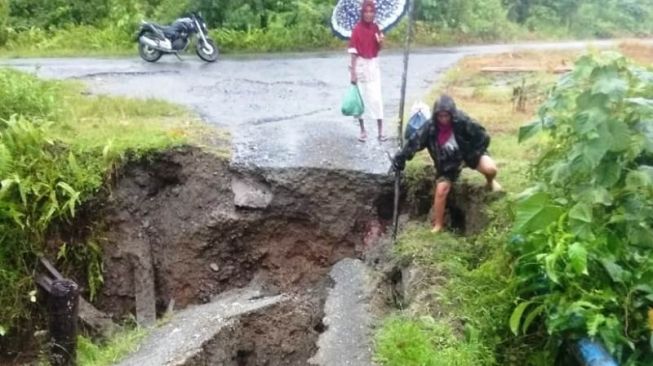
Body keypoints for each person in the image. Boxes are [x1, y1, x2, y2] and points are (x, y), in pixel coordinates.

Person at [393, 95, 502, 233]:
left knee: (491, 169)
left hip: (468, 155)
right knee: (441, 191)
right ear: (435, 115)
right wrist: (401, 157)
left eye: (446, 116)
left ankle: (490, 182)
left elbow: (483, 137)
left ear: (452, 114)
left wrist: (473, 153)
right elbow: (415, 142)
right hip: (447, 164)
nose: (443, 119)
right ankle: (438, 225)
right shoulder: (430, 127)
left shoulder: (462, 121)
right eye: (440, 116)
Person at [348, 0, 386, 142]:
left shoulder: (376, 28)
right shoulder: (357, 29)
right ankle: (362, 130)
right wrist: (353, 73)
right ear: (362, 13)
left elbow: (379, 48)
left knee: (376, 98)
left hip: (373, 65)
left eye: (371, 11)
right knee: (360, 99)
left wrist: (381, 42)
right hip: (360, 65)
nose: (369, 14)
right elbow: (353, 52)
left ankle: (380, 131)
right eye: (366, 11)